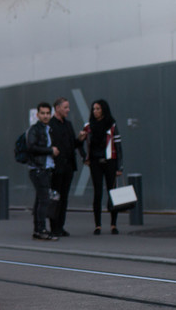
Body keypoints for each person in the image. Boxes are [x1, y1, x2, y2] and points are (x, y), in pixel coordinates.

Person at [80, 99, 123, 235]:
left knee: (112, 192)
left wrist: (119, 167)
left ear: (104, 109)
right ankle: (97, 225)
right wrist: (85, 157)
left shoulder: (112, 125)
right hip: (95, 162)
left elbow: (118, 146)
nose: (95, 111)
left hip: (110, 161)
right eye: (94, 109)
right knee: (97, 193)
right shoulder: (88, 126)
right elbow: (80, 143)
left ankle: (113, 224)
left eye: (98, 109)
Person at [48, 97, 85, 237]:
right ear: (57, 108)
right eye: (65, 107)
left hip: (68, 166)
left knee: (64, 198)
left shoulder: (68, 124)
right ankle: (54, 227)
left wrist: (80, 140)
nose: (68, 110)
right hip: (56, 167)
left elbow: (72, 144)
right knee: (55, 197)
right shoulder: (51, 124)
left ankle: (60, 226)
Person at [27, 102, 60, 241]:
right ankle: (41, 230)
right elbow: (32, 147)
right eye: (43, 113)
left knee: (40, 200)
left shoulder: (47, 129)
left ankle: (38, 229)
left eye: (48, 113)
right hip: (38, 169)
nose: (46, 116)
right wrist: (50, 150)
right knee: (44, 200)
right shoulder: (35, 129)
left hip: (45, 168)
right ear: (38, 114)